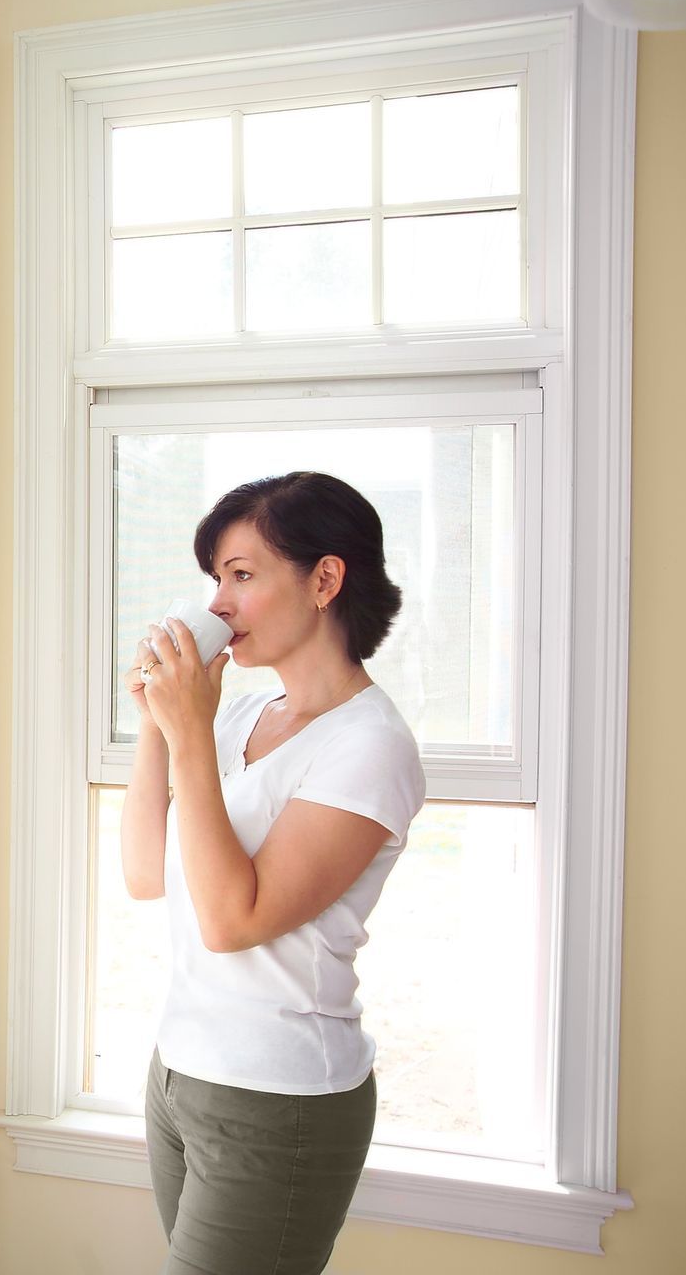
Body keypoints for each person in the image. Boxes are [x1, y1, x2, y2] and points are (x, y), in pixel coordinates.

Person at [122, 471, 426, 1275]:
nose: (219, 603)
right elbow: (146, 872)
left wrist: (190, 731)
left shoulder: (369, 747)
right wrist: (159, 725)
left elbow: (232, 921)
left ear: (325, 579)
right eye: (216, 579)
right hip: (180, 1073)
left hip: (276, 1098)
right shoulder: (245, 718)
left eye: (242, 575)